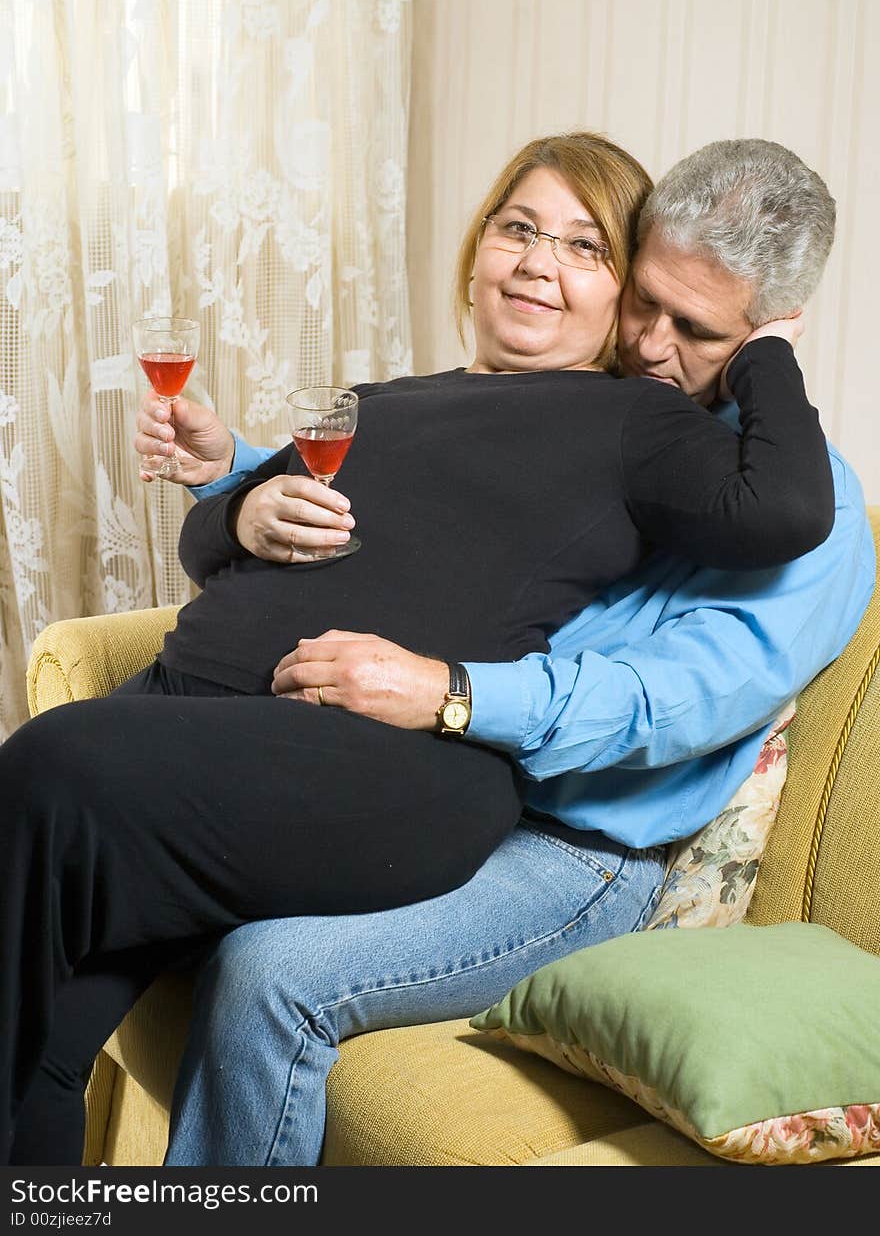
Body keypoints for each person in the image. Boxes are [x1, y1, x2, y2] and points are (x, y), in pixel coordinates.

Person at [1, 132, 845, 1167]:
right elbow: (390, 535)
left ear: (769, 331)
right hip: (408, 745)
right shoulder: (507, 407)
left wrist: (449, 691)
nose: (655, 342)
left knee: (250, 954)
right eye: (647, 306)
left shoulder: (748, 477)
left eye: (697, 326)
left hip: (570, 837)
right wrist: (242, 495)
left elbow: (667, 699)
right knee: (55, 976)